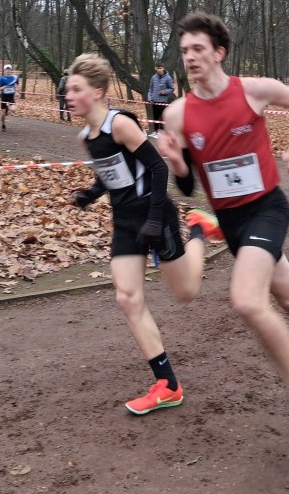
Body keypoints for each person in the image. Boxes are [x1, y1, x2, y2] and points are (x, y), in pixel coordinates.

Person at [156, 12, 289, 462]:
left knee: (248, 301)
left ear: (219, 52)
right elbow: (188, 187)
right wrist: (176, 162)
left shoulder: (253, 90)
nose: (189, 57)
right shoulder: (177, 113)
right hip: (231, 222)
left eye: (198, 49)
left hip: (266, 209)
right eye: (184, 50)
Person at [66, 53, 219, 416]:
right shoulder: (87, 135)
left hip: (155, 213)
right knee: (127, 298)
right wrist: (92, 193)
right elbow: (113, 172)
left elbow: (156, 168)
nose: (68, 96)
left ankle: (199, 229)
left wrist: (153, 219)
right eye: (67, 90)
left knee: (186, 292)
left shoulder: (120, 124)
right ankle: (168, 384)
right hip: (125, 221)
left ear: (98, 92)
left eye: (76, 89)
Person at [146, 62, 174, 138]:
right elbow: (150, 89)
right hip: (154, 101)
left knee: (162, 117)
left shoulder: (168, 78)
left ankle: (162, 133)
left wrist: (164, 92)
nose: (159, 70)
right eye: (157, 68)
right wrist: (149, 98)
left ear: (163, 68)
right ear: (156, 68)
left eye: (160, 68)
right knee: (155, 117)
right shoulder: (153, 77)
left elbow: (171, 89)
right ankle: (155, 132)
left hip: (162, 101)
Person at [0, 63, 19, 130]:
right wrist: (2, 88)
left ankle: (7, 108)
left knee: (13, 109)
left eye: (9, 69)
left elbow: (17, 86)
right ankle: (3, 125)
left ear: (11, 70)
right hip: (4, 97)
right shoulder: (1, 79)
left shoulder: (15, 78)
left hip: (11, 97)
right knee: (3, 114)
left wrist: (17, 92)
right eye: (6, 69)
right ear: (4, 71)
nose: (8, 71)